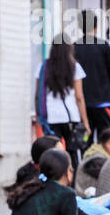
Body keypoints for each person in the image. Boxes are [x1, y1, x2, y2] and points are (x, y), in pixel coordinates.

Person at [37, 33, 90, 174]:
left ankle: (55, 180)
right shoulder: (75, 67)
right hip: (70, 117)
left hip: (51, 117)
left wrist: (39, 116)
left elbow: (38, 94)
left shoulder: (44, 66)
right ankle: (72, 182)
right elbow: (79, 97)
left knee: (54, 153)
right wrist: (85, 122)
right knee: (73, 152)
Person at [74, 10, 110, 134]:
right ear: (96, 26)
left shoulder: (74, 47)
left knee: (85, 144)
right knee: (109, 140)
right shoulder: (104, 46)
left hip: (82, 106)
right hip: (104, 102)